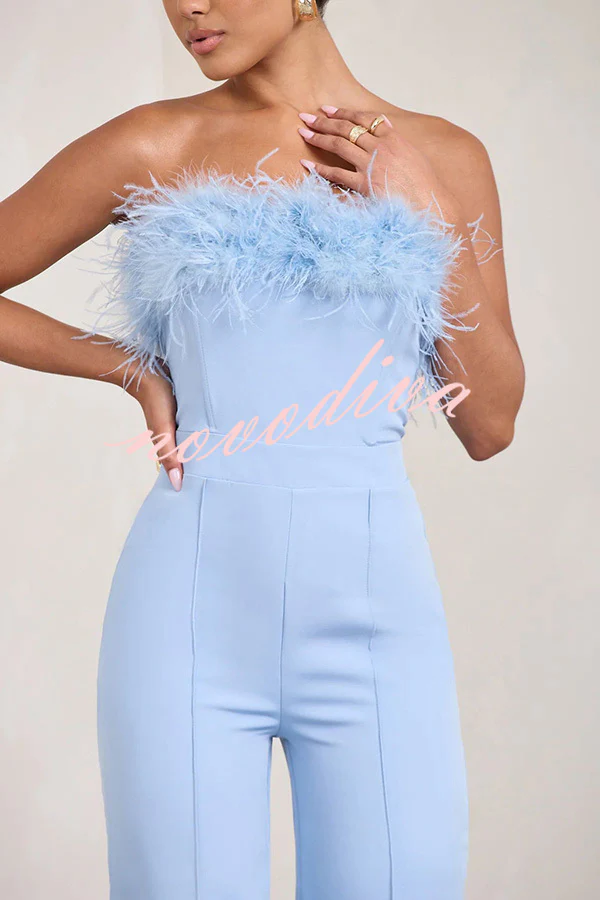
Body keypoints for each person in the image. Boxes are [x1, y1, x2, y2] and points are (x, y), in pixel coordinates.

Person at [0, 1, 525, 898]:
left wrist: (429, 212)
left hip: (379, 624)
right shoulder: (155, 143)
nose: (188, 6)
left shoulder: (444, 155)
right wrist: (124, 366)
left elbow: (492, 424)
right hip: (188, 618)